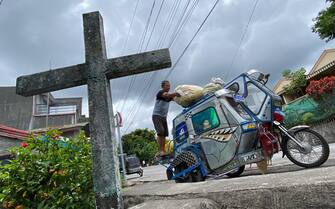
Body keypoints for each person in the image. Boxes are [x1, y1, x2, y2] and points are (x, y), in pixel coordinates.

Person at [152, 80, 179, 158]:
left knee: (164, 134)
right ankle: (161, 151)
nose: (169, 87)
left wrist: (182, 98)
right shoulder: (160, 93)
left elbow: (175, 99)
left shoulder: (169, 97)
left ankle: (163, 150)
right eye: (167, 86)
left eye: (169, 86)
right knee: (160, 132)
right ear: (163, 86)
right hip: (157, 116)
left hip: (163, 117)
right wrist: (175, 94)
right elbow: (167, 95)